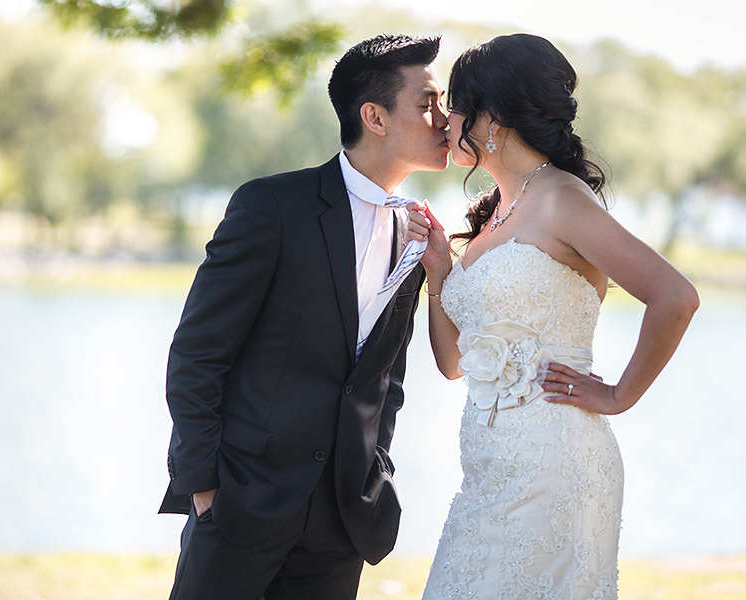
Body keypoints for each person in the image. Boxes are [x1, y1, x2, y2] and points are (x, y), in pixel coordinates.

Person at [159, 34, 449, 600]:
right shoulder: (272, 207)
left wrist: (373, 472)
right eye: (427, 103)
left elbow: (386, 381)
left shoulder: (419, 237)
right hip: (242, 505)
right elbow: (196, 355)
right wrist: (204, 490)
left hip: (342, 521)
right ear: (375, 117)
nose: (446, 119)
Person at [410, 34, 700, 599]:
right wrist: (441, 272)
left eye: (458, 105)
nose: (445, 119)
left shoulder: (562, 200)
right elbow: (452, 364)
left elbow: (675, 296)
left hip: (556, 464)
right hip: (489, 470)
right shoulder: (492, 217)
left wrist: (618, 395)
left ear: (493, 116)